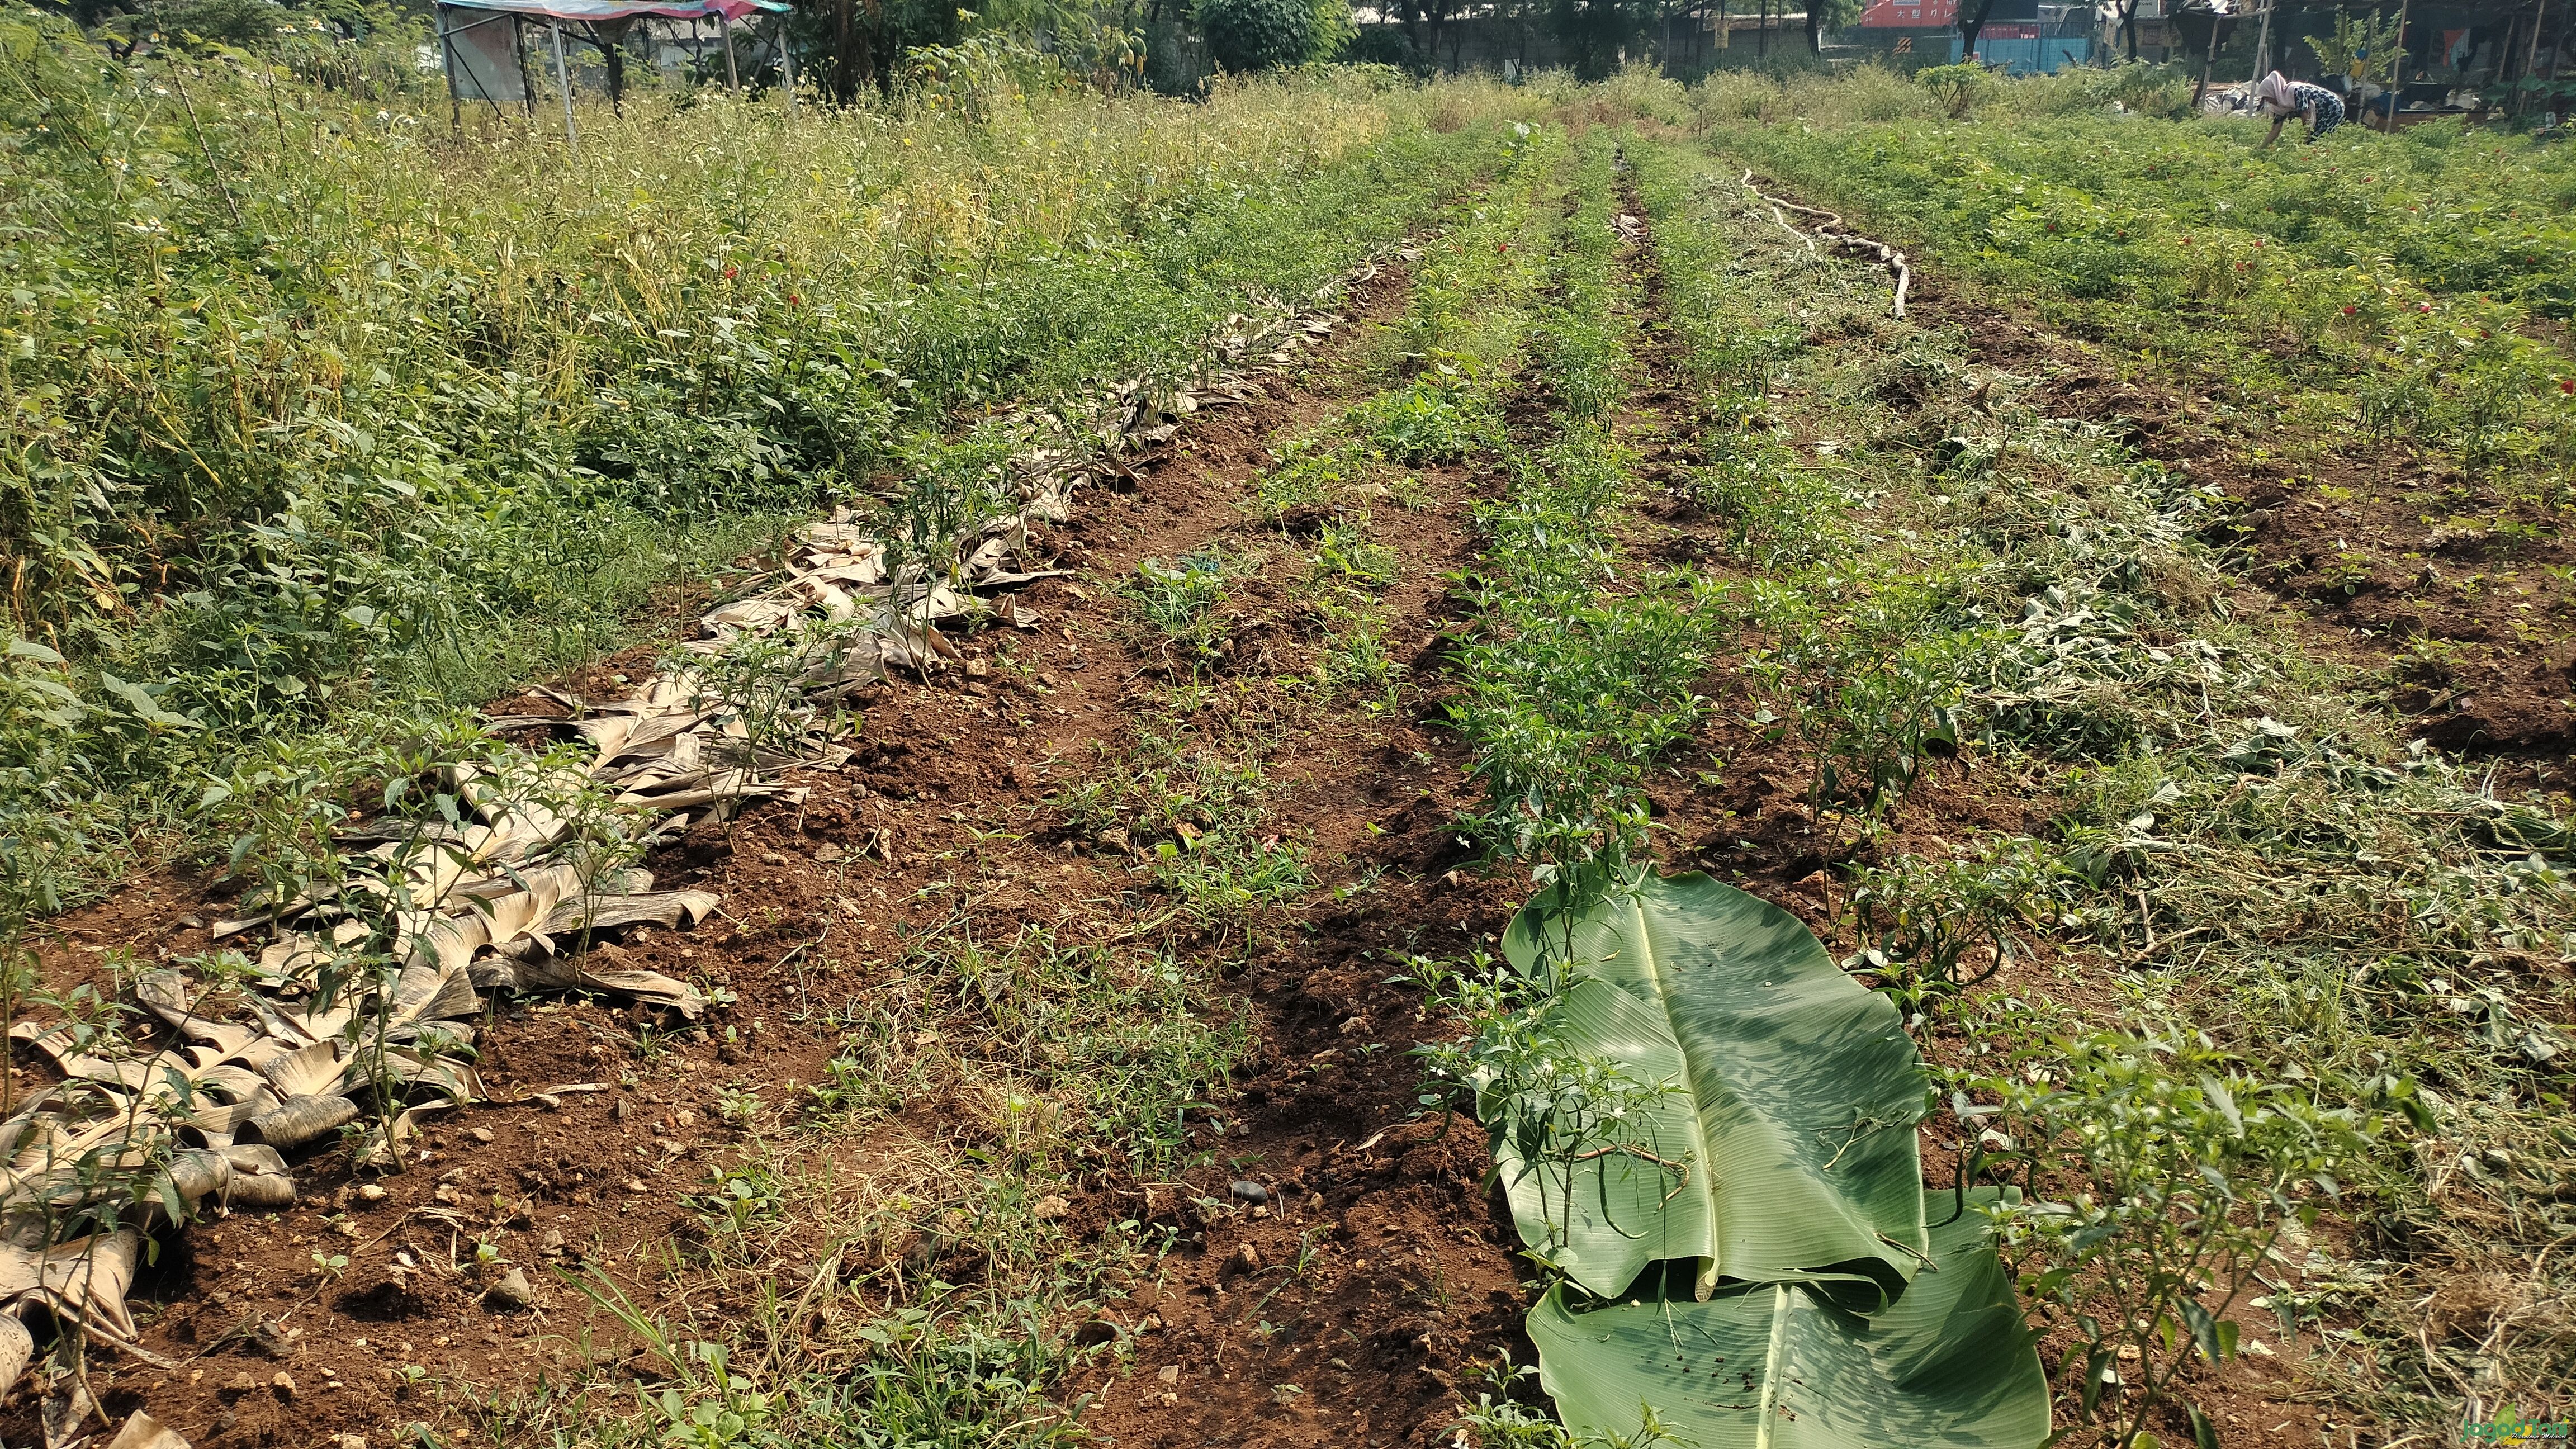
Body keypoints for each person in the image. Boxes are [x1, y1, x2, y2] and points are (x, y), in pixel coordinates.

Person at [2253, 70, 2346, 143]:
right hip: (2321, 111)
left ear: (2272, 92)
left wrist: (2305, 140)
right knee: (2315, 139)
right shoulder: (2281, 104)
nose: (2267, 101)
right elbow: (2275, 129)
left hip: (2333, 107)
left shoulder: (2295, 91)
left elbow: (2306, 117)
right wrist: (2261, 148)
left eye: (2267, 97)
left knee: (2317, 139)